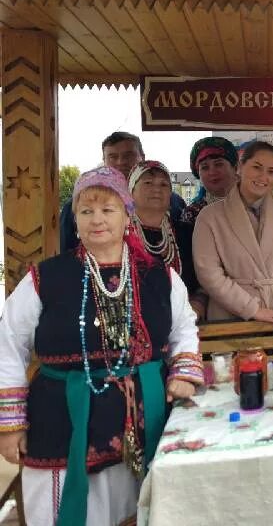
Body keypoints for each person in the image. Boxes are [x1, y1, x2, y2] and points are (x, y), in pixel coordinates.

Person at [0, 166, 202, 525]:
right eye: (86, 211)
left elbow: (184, 328)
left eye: (108, 210)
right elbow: (8, 343)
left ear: (127, 215)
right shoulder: (45, 278)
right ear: (74, 218)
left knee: (135, 510)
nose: (97, 220)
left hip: (140, 420)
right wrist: (11, 425)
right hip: (62, 421)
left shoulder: (160, 275)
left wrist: (183, 373)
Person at [192, 141, 273, 321]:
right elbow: (209, 274)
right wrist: (252, 310)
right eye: (257, 167)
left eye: (271, 172)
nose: (263, 177)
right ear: (240, 167)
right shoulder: (209, 217)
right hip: (231, 314)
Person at [59, 131, 186, 252]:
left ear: (142, 157)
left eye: (128, 156)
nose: (120, 162)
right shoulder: (78, 206)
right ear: (104, 161)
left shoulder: (172, 201)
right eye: (113, 157)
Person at [177, 136, 239, 318]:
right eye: (204, 168)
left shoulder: (258, 206)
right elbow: (191, 266)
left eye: (219, 164)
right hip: (211, 300)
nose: (212, 172)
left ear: (235, 168)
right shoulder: (192, 214)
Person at [129, 160, 183, 276]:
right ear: (131, 191)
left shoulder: (186, 233)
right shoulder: (118, 232)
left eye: (163, 184)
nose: (157, 189)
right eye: (148, 183)